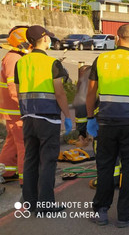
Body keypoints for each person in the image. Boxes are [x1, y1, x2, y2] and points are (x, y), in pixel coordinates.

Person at [86, 24, 129, 228]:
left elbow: (91, 93)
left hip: (105, 122)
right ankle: (125, 215)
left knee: (105, 166)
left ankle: (101, 212)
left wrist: (90, 118)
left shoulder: (101, 59)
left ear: (117, 38)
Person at [14, 25, 73, 212]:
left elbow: (18, 91)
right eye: (48, 37)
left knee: (30, 159)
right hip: (48, 119)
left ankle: (30, 202)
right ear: (45, 39)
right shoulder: (52, 64)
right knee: (48, 161)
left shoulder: (21, 63)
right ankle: (46, 204)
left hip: (28, 118)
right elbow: (60, 93)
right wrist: (68, 116)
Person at [0, 26, 30, 185]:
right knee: (24, 144)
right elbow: (13, 88)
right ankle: (26, 180)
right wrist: (24, 107)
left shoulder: (11, 57)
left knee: (12, 142)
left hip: (11, 109)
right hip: (16, 109)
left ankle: (7, 171)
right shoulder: (14, 59)